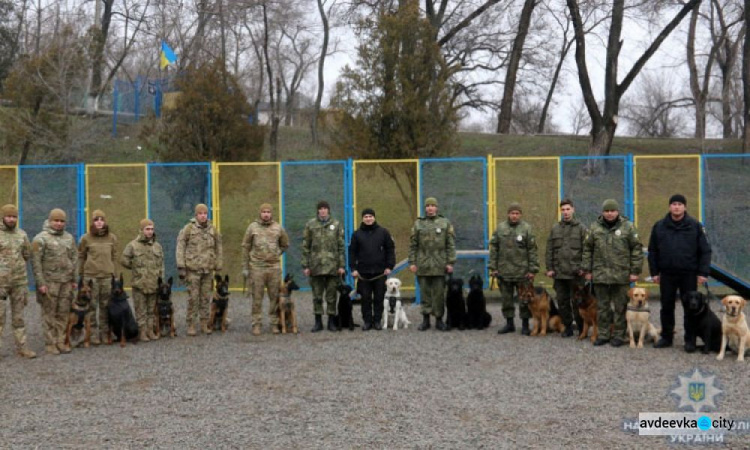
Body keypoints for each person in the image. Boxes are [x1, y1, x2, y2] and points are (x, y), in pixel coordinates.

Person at [648, 194, 711, 351]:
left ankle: (690, 340)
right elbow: (653, 251)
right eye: (674, 204)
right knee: (666, 306)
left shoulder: (695, 226)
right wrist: (655, 272)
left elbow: (705, 251)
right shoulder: (659, 226)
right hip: (667, 274)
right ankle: (666, 337)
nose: (676, 207)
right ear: (669, 207)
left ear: (685, 207)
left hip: (688, 274)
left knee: (691, 307)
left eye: (680, 204)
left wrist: (702, 272)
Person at [582, 199, 643, 347]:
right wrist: (587, 270)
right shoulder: (594, 227)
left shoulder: (628, 227)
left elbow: (636, 249)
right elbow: (587, 249)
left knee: (620, 307)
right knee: (602, 307)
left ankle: (618, 335)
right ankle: (603, 334)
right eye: (607, 211)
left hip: (621, 275)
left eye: (612, 211)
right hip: (600, 274)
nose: (609, 214)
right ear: (602, 212)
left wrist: (635, 271)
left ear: (617, 212)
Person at [31, 208, 78, 355]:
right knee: (49, 314)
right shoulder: (40, 239)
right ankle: (50, 344)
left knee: (63, 313)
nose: (58, 223)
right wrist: (41, 283)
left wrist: (74, 279)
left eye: (62, 221)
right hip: (50, 283)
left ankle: (60, 341)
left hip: (66, 282)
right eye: (56, 220)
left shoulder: (69, 238)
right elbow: (36, 263)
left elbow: (74, 258)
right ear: (50, 221)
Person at [490, 202, 539, 336]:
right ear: (508, 214)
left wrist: (532, 269)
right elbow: (494, 248)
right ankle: (509, 323)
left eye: (517, 213)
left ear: (520, 215)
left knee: (524, 299)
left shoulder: (527, 228)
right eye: (512, 213)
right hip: (504, 271)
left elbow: (532, 250)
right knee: (507, 300)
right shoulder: (500, 228)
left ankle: (524, 325)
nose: (514, 216)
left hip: (522, 272)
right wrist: (493, 267)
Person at [409, 197, 456, 331]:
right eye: (428, 206)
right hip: (423, 264)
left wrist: (450, 262)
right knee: (425, 293)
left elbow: (450, 244)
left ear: (437, 207)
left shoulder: (445, 223)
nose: (430, 208)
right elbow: (413, 245)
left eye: (432, 206)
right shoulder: (418, 224)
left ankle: (439, 319)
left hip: (440, 264)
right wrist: (412, 262)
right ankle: (425, 319)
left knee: (439, 294)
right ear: (425, 208)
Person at [242, 203, 289, 336]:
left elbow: (285, 244)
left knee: (274, 297)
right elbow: (245, 246)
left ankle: (274, 323)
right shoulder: (252, 227)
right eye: (264, 212)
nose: (266, 214)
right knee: (257, 297)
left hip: (273, 268)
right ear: (260, 213)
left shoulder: (278, 228)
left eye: (268, 212)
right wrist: (245, 267)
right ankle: (256, 324)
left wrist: (276, 253)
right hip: (257, 267)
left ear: (271, 213)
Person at [176, 203, 223, 336]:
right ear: (196, 215)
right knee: (193, 298)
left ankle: (204, 322)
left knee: (205, 297)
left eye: (205, 213)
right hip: (193, 270)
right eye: (200, 214)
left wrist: (218, 265)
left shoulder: (212, 230)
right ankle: (191, 324)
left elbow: (218, 247)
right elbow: (180, 247)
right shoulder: (188, 229)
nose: (203, 216)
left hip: (207, 270)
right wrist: (181, 267)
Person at [302, 200, 345, 332]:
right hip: (316, 266)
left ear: (329, 210)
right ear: (318, 210)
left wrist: (341, 265)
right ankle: (318, 322)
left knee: (331, 296)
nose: (323, 211)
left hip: (332, 266)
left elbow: (341, 247)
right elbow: (305, 246)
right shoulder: (310, 225)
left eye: (325, 208)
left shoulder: (336, 224)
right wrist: (305, 265)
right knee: (317, 296)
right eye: (320, 208)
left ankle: (331, 321)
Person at [349, 208, 395, 331]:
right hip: (363, 273)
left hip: (380, 272)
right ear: (362, 218)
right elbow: (352, 253)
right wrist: (353, 268)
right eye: (366, 216)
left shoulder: (383, 232)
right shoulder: (356, 234)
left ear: (374, 217)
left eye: (370, 216)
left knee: (379, 298)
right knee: (365, 298)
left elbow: (390, 249)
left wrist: (389, 266)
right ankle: (367, 321)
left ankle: (377, 321)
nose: (368, 218)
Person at [545, 199, 586, 337]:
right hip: (559, 273)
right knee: (562, 301)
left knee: (577, 302)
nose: (565, 212)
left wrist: (583, 268)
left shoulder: (581, 228)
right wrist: (550, 268)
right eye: (563, 210)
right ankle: (567, 326)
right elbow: (549, 250)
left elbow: (587, 250)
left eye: (568, 209)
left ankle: (581, 328)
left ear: (573, 210)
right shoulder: (555, 228)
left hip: (576, 273)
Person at [0, 204, 36, 358]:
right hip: (1, 283)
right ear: (3, 217)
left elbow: (27, 254)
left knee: (19, 317)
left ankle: (22, 347)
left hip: (19, 283)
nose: (11, 219)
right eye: (8, 216)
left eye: (14, 216)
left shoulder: (22, 235)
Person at [78, 209, 118, 345]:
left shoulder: (112, 238)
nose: (99, 222)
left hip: (107, 277)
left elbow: (114, 257)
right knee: (91, 306)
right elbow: (81, 257)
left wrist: (115, 275)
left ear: (105, 221)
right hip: (91, 278)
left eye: (101, 219)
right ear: (92, 222)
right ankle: (92, 334)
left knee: (106, 306)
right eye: (96, 220)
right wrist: (81, 275)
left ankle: (105, 333)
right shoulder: (86, 238)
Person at [121, 218, 164, 343]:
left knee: (151, 310)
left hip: (154, 283)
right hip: (140, 284)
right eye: (147, 229)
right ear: (141, 230)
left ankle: (150, 331)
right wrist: (135, 268)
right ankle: (142, 332)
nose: (150, 232)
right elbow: (124, 259)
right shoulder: (133, 245)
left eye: (151, 229)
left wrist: (161, 280)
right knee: (141, 311)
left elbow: (161, 265)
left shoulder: (157, 246)